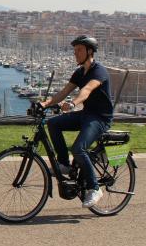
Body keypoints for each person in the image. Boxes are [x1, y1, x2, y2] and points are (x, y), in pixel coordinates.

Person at [40, 35, 114, 208]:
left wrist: (73, 103)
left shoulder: (99, 71)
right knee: (53, 123)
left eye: (79, 50)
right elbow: (64, 92)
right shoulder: (79, 72)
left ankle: (94, 188)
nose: (75, 53)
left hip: (100, 118)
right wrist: (44, 104)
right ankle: (64, 164)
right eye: (74, 50)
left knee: (78, 148)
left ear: (89, 52)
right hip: (86, 114)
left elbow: (87, 90)